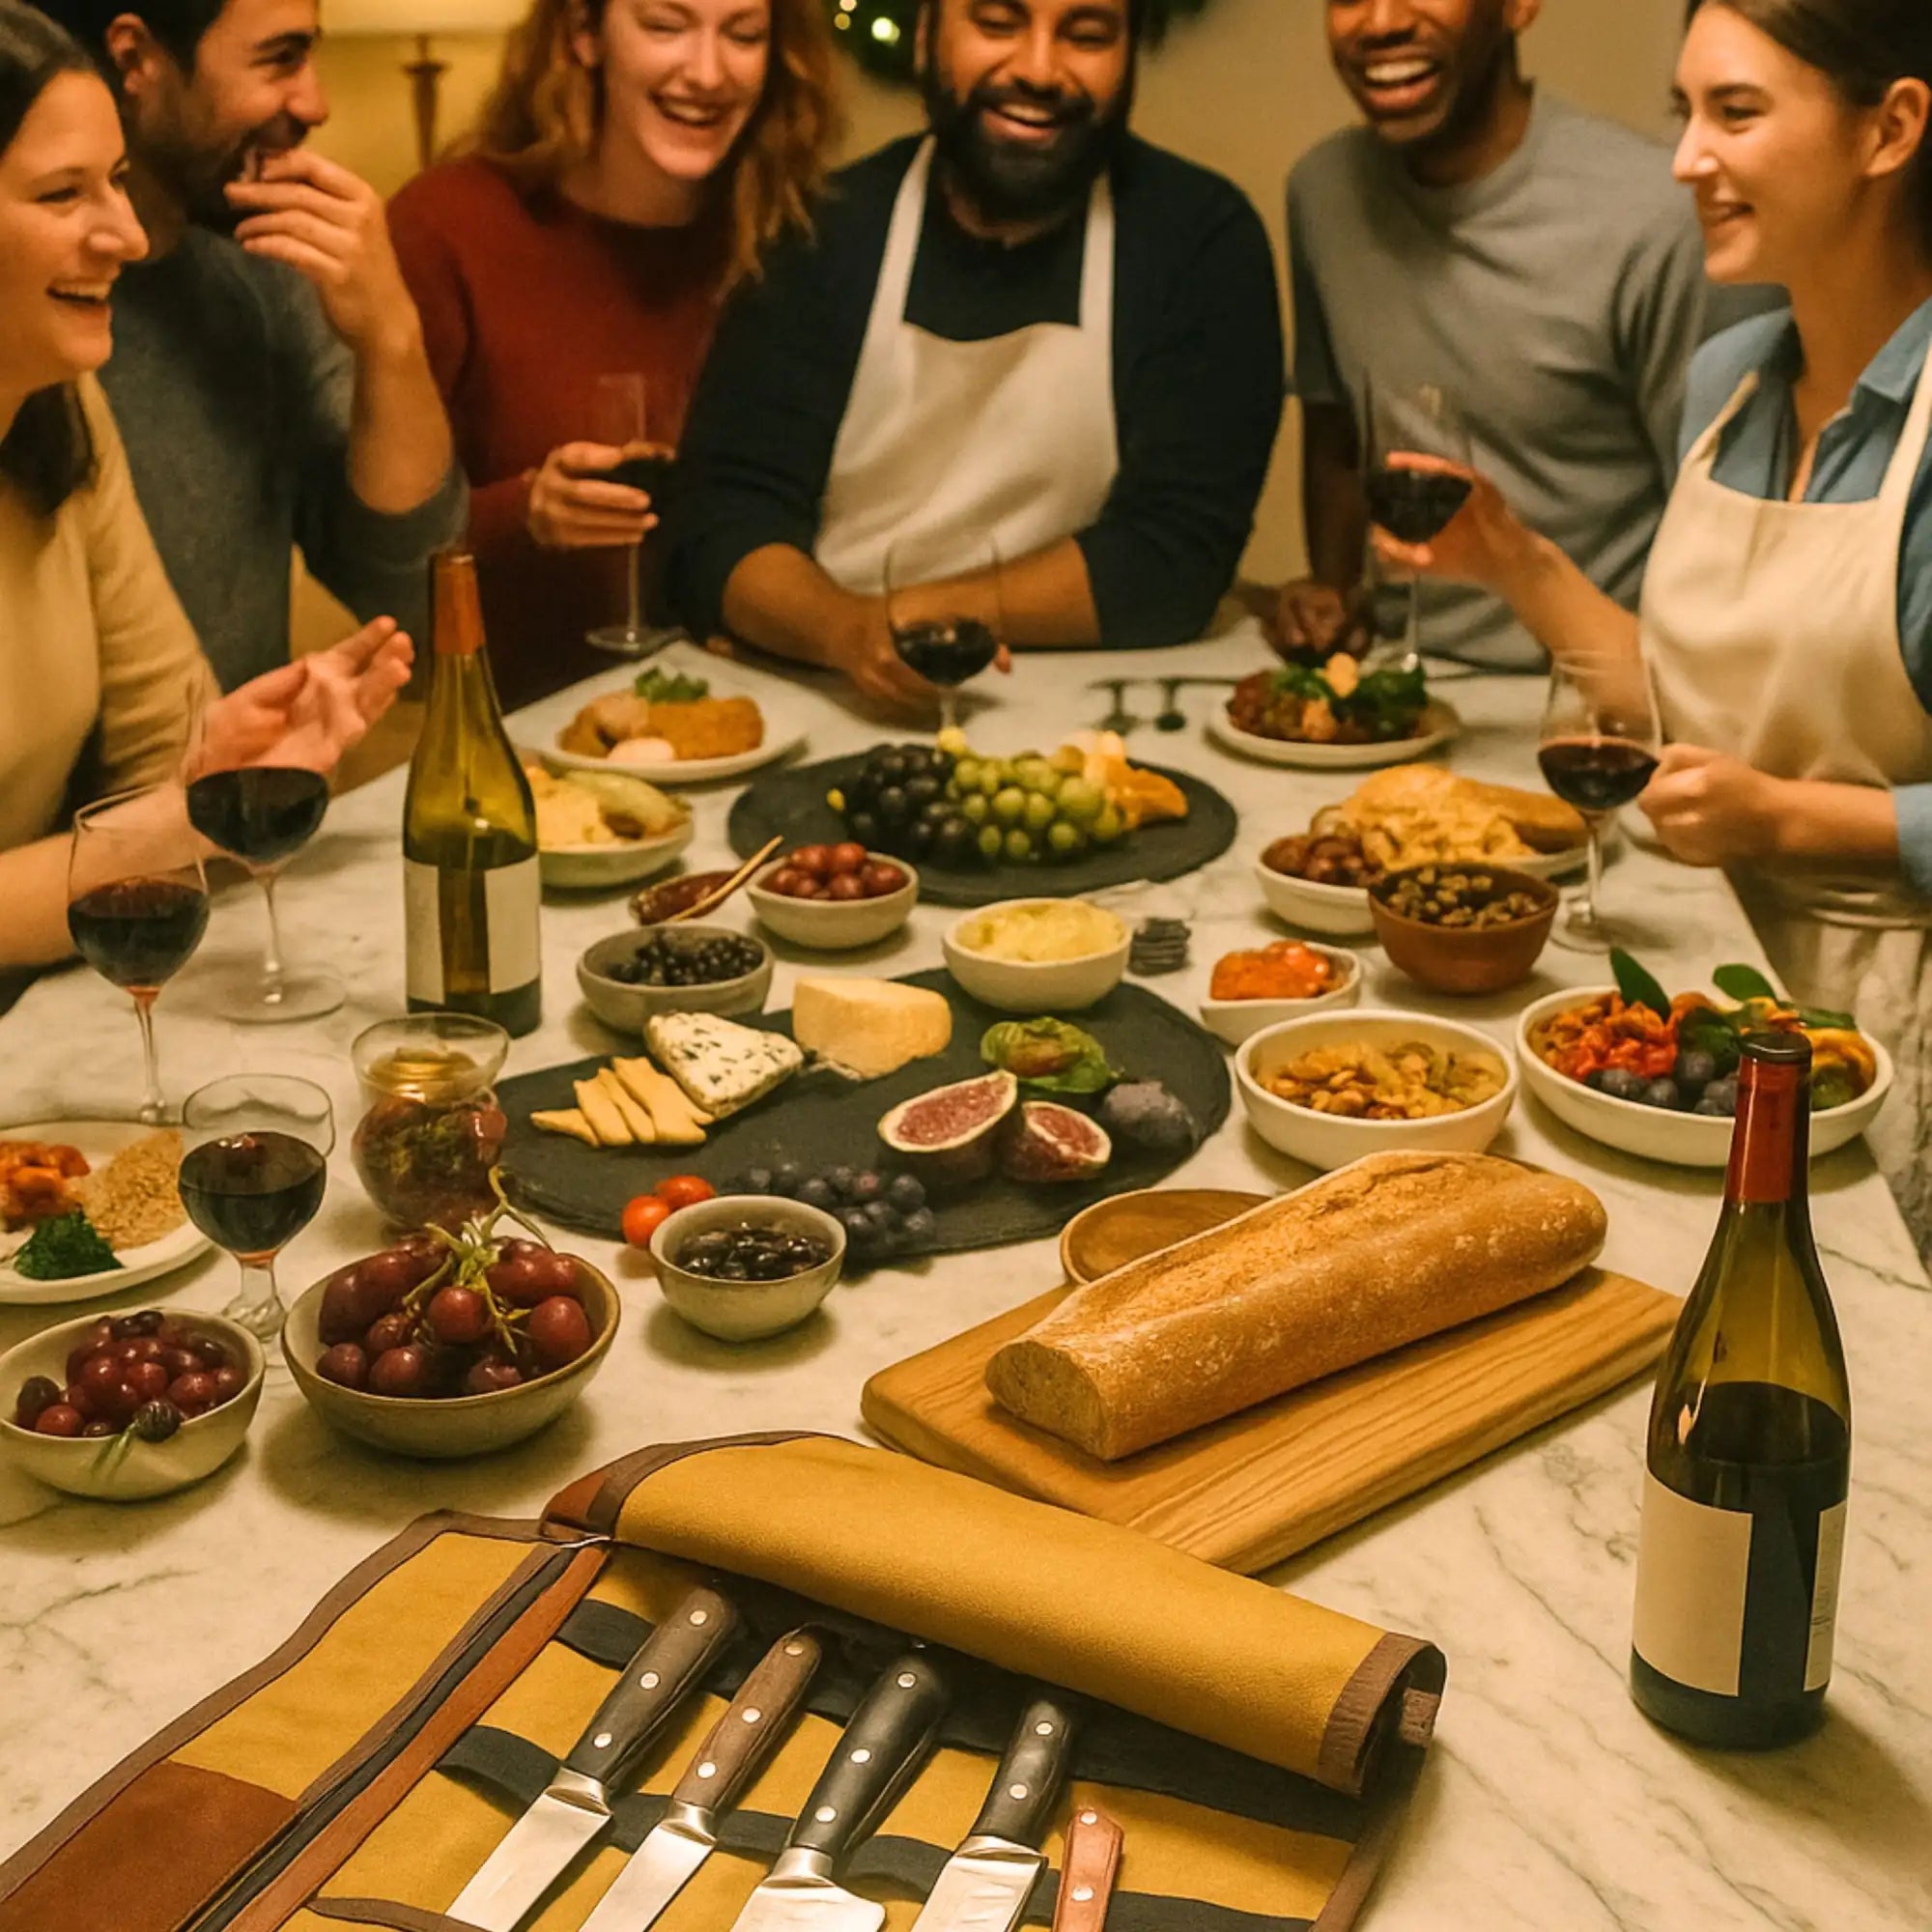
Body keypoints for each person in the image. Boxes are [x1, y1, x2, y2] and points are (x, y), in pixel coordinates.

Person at [1378, 0, 1932, 1256]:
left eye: (1735, 113)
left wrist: (1786, 817)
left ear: (1890, 127)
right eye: (1685, 113)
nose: (1685, 158)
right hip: (1695, 1000)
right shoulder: (1728, 377)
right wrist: (1509, 556)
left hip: (1893, 1045)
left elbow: (1762, 780)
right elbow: (1682, 709)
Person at [666, 0, 1285, 707]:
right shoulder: (824, 227)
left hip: (1090, 716)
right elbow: (723, 522)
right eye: (997, 24)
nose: (1039, 69)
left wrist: (918, 616)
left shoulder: (1199, 240)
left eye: (1086, 36)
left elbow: (1172, 560)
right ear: (927, 35)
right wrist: (845, 631)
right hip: (822, 690)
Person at [0, 1, 412, 975]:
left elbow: (160, 753)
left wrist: (223, 776)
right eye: (63, 195)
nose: (127, 236)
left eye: (116, 181)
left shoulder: (64, 408)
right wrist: (177, 824)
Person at [388, 0, 838, 711]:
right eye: (666, 26)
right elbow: (370, 556)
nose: (707, 73)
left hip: (774, 720)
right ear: (584, 34)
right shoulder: (446, 229)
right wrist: (525, 513)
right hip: (537, 748)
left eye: (744, 35)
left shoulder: (796, 236)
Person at [1269, 0, 1719, 670]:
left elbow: (1720, 524)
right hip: (1397, 674)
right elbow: (1336, 429)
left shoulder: (1655, 217)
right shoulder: (1322, 191)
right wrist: (1334, 592)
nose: (1381, 20)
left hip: (1591, 697)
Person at [33, 0, 465, 691]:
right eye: (281, 58)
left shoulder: (264, 274)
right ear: (134, 58)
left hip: (229, 791)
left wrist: (391, 339)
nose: (316, 103)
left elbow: (418, 617)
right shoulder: (26, 306)